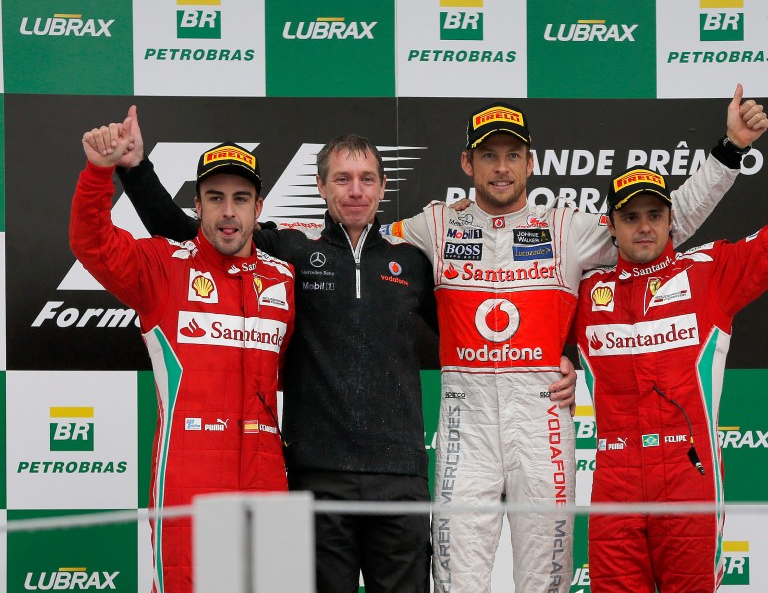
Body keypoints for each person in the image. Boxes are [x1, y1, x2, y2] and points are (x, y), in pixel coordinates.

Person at [111, 110, 576, 592]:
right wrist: (135, 168)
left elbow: (481, 315)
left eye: (366, 179)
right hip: (317, 473)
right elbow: (190, 230)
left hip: (400, 476)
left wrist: (560, 352)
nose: (355, 190)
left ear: (382, 187)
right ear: (321, 187)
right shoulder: (287, 247)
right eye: (342, 179)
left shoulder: (411, 257)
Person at [385, 85, 768, 592]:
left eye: (513, 156)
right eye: (489, 156)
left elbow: (671, 219)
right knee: (457, 578)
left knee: (546, 580)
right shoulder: (435, 223)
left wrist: (730, 150)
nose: (501, 168)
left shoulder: (565, 228)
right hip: (466, 420)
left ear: (531, 163)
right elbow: (362, 241)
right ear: (466, 162)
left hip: (542, 415)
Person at [571, 89, 768, 593]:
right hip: (614, 476)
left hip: (687, 473)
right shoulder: (584, 291)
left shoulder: (709, 273)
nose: (644, 227)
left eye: (654, 215)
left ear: (670, 220)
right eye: (630, 217)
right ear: (610, 226)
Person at [73, 119, 295, 593]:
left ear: (259, 207)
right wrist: (98, 174)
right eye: (215, 198)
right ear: (197, 206)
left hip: (266, 476)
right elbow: (92, 244)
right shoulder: (162, 268)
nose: (228, 212)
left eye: (240, 199)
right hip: (189, 479)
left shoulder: (283, 279)